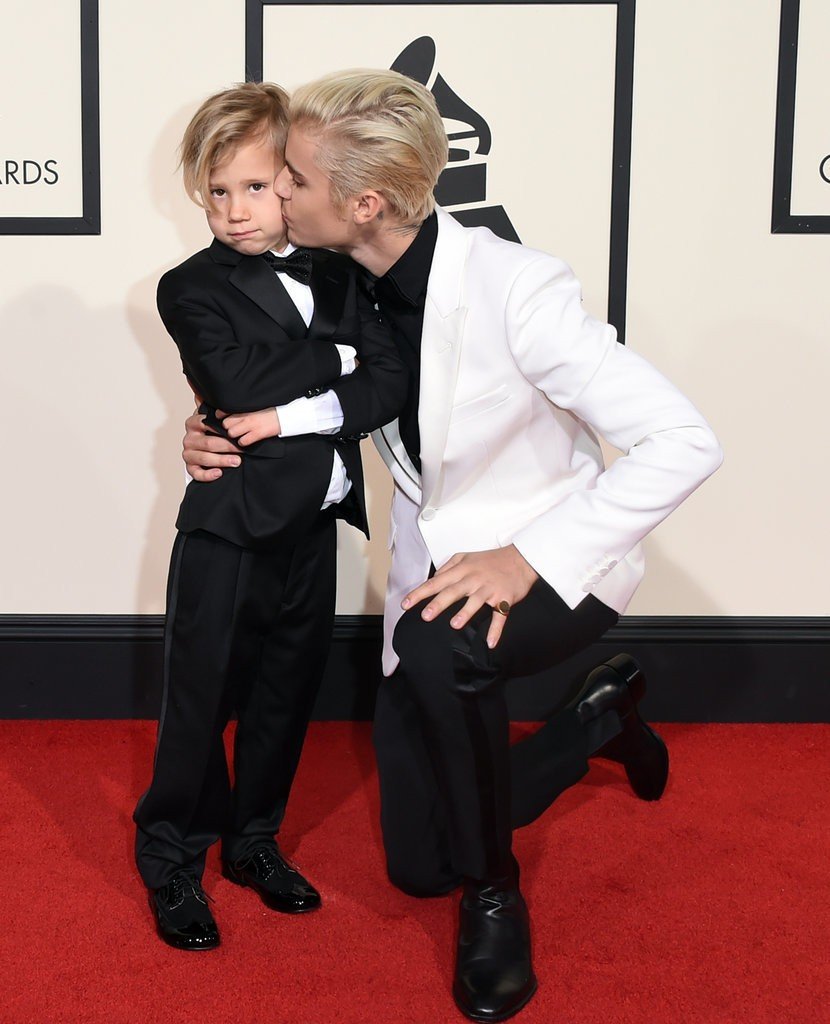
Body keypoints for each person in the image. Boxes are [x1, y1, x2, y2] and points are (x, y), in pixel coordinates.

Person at [182, 70, 722, 1018]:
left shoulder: (518, 289)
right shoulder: (334, 277)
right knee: (419, 864)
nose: (275, 191)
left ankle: (496, 897)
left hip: (555, 563)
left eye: (293, 178)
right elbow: (288, 383)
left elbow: (684, 440)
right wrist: (209, 431)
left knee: (443, 649)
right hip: (429, 569)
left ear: (364, 203)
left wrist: (527, 557)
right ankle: (597, 720)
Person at [133, 81, 407, 952]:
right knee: (200, 702)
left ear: (292, 180)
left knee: (284, 698)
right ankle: (171, 857)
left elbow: (391, 378)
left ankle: (253, 842)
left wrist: (317, 388)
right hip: (229, 530)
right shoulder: (190, 287)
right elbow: (235, 383)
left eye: (254, 186)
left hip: (313, 527)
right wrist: (339, 355)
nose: (234, 209)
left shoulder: (341, 267)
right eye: (216, 191)